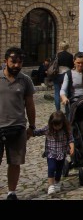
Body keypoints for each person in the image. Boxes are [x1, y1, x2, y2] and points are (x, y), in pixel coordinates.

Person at [0, 47, 37, 200]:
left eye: (19, 62)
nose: (16, 65)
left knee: (15, 162)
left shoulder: (25, 80)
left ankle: (11, 192)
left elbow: (30, 104)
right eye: (13, 62)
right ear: (5, 62)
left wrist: (32, 127)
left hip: (17, 126)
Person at [33, 111, 74, 195]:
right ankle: (51, 186)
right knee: (51, 168)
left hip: (62, 153)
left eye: (59, 125)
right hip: (51, 153)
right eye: (55, 125)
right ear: (51, 123)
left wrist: (72, 147)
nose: (57, 127)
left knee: (59, 170)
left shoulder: (66, 130)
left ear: (63, 123)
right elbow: (38, 132)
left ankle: (57, 182)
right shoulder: (48, 129)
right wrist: (29, 132)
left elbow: (71, 139)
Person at [53, 41, 75, 112]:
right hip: (67, 74)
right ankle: (67, 110)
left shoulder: (57, 55)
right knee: (67, 92)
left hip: (58, 74)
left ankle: (58, 110)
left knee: (57, 92)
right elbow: (72, 66)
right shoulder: (70, 56)